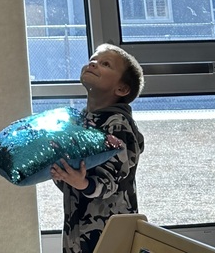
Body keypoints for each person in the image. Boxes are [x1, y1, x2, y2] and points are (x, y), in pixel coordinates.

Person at [50, 43, 145, 253]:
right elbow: (75, 181)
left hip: (109, 229)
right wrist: (63, 175)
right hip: (77, 227)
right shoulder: (81, 121)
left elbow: (112, 179)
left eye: (105, 64)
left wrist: (82, 182)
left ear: (121, 89)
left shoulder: (118, 124)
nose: (93, 63)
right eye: (93, 59)